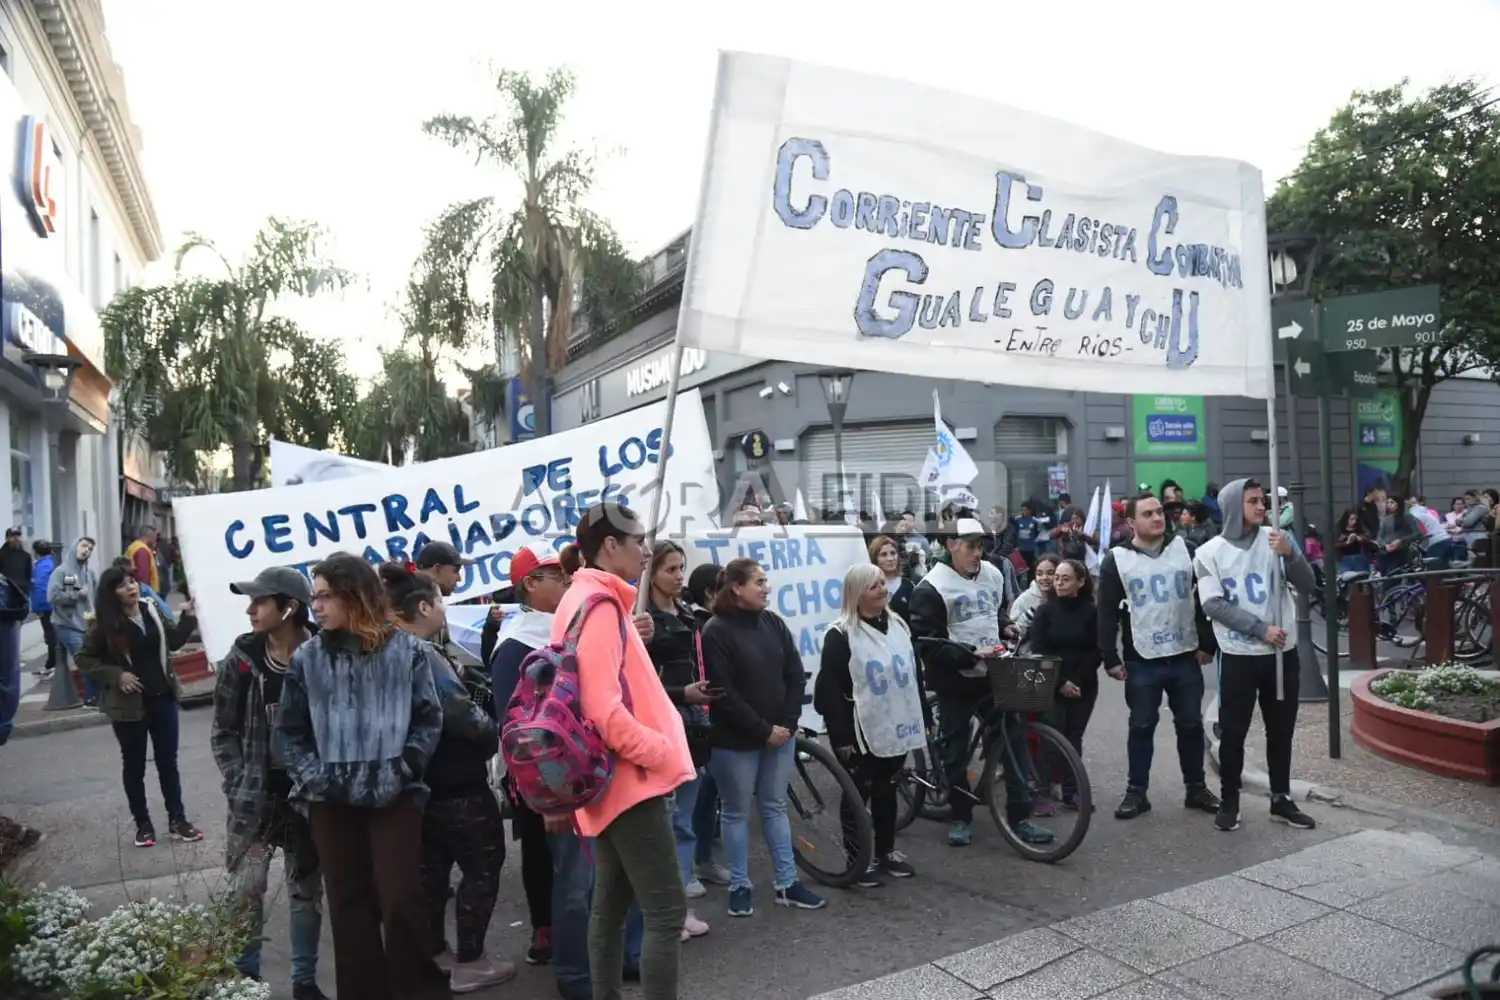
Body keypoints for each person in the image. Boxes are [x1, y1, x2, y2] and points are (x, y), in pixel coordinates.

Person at [272, 552, 448, 1000]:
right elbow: (288, 736)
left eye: (326, 595)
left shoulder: (407, 651)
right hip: (330, 803)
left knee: (401, 901)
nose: (316, 605)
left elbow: (429, 720)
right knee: (349, 910)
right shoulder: (307, 659)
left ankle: (418, 990)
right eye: (314, 597)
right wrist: (319, 779)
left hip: (395, 796)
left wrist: (404, 768)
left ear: (356, 595)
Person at [548, 501, 694, 1000]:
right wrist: (662, 751)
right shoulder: (601, 606)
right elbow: (606, 712)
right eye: (639, 541)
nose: (647, 549)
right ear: (610, 547)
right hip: (629, 779)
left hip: (607, 779)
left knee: (609, 907)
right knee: (667, 910)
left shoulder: (583, 598)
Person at [381, 562, 514, 993]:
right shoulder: (423, 654)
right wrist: (494, 734)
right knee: (482, 865)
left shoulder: (377, 650)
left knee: (432, 871)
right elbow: (461, 714)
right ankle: (471, 960)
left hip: (412, 786)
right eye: (439, 600)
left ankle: (437, 951)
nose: (444, 607)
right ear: (423, 606)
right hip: (456, 780)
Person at [211, 567, 327, 1000]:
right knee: (248, 888)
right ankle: (245, 981)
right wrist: (238, 780)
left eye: (260, 601)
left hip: (305, 801)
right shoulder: (241, 661)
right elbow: (222, 732)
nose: (250, 609)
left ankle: (304, 982)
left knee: (305, 891)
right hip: (256, 805)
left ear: (289, 607)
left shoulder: (323, 655)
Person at [909, 518, 1045, 848]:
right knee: (956, 753)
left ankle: (1020, 817)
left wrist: (1006, 627)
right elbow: (928, 644)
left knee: (1012, 742)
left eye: (981, 545)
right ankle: (961, 816)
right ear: (951, 544)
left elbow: (991, 611)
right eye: (970, 546)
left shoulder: (994, 573)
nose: (977, 552)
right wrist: (970, 655)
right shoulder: (931, 587)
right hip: (956, 679)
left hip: (995, 672)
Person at [702, 556, 827, 916]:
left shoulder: (772, 622)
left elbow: (794, 672)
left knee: (774, 807)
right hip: (735, 742)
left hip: (780, 735)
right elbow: (723, 692)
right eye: (758, 582)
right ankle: (740, 886)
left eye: (765, 581)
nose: (766, 588)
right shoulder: (716, 631)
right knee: (736, 811)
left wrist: (786, 724)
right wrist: (762, 730)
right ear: (737, 588)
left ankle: (787, 883)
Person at [1194, 478, 1318, 833]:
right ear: (1234, 506)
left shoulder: (1278, 538)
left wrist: (1290, 554)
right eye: (1253, 501)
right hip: (1239, 654)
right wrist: (1259, 628)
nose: (1262, 507)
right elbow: (1212, 603)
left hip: (1282, 652)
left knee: (1281, 729)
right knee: (1233, 732)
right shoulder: (1208, 553)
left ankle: (1281, 798)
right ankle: (1230, 799)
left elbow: (1309, 584)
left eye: (1263, 500)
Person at [1096, 493, 1220, 820]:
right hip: (1142, 659)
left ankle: (1196, 788)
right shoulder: (1116, 560)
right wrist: (1109, 656)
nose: (1157, 518)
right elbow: (1106, 613)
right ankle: (1137, 792)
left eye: (1159, 512)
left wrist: (1208, 643)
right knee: (1141, 726)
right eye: (1148, 513)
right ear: (1131, 522)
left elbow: (1208, 598)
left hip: (1185, 655)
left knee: (1191, 726)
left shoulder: (1188, 550)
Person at [814, 562, 925, 888]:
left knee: (887, 787)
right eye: (873, 585)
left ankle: (886, 851)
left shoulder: (898, 625)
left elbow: (913, 676)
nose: (881, 588)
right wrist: (841, 735)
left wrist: (924, 717)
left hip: (895, 721)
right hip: (858, 730)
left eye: (882, 583)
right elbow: (829, 689)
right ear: (856, 593)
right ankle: (857, 860)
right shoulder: (840, 634)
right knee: (857, 795)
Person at [77, 566, 203, 848]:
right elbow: (84, 659)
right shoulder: (104, 624)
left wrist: (188, 617)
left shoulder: (151, 609)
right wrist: (116, 675)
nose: (131, 588)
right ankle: (143, 824)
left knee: (168, 763)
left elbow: (173, 641)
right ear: (112, 594)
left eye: (133, 582)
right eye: (123, 585)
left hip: (163, 698)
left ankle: (177, 820)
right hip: (128, 708)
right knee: (134, 767)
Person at [489, 545, 568, 969]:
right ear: (530, 584)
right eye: (555, 573)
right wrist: (545, 786)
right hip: (536, 772)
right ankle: (545, 926)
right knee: (539, 847)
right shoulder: (516, 646)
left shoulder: (568, 628)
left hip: (576, 766)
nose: (566, 579)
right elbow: (515, 727)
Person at [643, 540, 719, 939]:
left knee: (685, 821)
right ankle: (660, 911)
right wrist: (681, 694)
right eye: (670, 568)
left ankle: (680, 906)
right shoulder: (642, 618)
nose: (678, 576)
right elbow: (637, 684)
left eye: (680, 568)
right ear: (651, 572)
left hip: (694, 724)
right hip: (662, 724)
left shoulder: (687, 609)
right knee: (665, 822)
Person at [1026, 559, 1100, 812]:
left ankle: (1072, 791)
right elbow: (1039, 650)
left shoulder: (1092, 612)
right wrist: (1060, 683)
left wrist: (1076, 681)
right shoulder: (1045, 612)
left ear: (1080, 581)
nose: (1058, 582)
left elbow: (1096, 650)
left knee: (1074, 737)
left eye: (1065, 578)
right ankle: (1041, 792)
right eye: (1057, 577)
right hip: (1052, 683)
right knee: (1051, 738)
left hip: (1083, 684)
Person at [46, 537, 97, 702]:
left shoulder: (88, 574)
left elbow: (93, 599)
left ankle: (94, 695)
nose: (86, 550)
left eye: (89, 548)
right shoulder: (61, 572)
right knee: (85, 660)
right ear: (75, 546)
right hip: (66, 625)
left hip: (86, 625)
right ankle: (91, 697)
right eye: (83, 546)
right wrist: (75, 595)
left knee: (93, 658)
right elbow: (52, 597)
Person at [1008, 554, 1057, 646]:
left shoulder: (1065, 597)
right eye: (1039, 574)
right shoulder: (1024, 599)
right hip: (1029, 655)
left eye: (1050, 573)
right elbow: (1012, 633)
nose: (1044, 578)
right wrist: (1032, 613)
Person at [868, 535, 915, 625]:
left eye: (893, 553)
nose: (890, 559)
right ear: (874, 558)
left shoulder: (908, 586)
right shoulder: (868, 586)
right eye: (883, 555)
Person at [28, 541, 56, 677]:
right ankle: (52, 664)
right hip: (53, 605)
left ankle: (52, 665)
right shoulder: (54, 563)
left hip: (45, 607)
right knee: (52, 636)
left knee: (51, 636)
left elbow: (38, 589)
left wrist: (38, 608)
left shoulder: (38, 567)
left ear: (35, 552)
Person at [1375, 495, 1421, 577]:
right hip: (1386, 552)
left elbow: (1417, 533)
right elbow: (1379, 536)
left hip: (1400, 552)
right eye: (1388, 502)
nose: (1389, 505)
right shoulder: (1386, 519)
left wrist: (1401, 541)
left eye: (1392, 502)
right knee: (1385, 576)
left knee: (1394, 575)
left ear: (1398, 503)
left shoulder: (1407, 516)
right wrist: (1385, 545)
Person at [1335, 509, 1373, 574]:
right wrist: (1346, 542)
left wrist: (1360, 538)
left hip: (1359, 556)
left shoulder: (1360, 527)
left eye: (1355, 519)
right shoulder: (1339, 528)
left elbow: (1368, 536)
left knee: (1360, 577)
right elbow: (1334, 543)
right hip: (1345, 557)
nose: (1354, 522)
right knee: (1346, 576)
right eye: (1351, 519)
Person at [125, 525, 160, 594]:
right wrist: (144, 593)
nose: (155, 541)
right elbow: (143, 576)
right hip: (146, 592)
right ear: (150, 536)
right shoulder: (142, 550)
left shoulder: (134, 546)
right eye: (154, 538)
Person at [1011, 503, 1043, 571]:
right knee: (1019, 568)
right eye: (1022, 510)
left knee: (1031, 568)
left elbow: (1038, 532)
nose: (1023, 511)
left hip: (1030, 548)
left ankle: (1030, 581)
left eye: (1025, 510)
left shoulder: (1035, 520)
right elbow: (1015, 532)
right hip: (1020, 549)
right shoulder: (1017, 520)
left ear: (1030, 510)